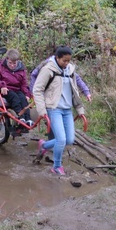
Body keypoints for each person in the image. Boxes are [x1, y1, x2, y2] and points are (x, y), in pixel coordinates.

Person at [32, 46, 85, 176]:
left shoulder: (70, 70)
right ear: (57, 58)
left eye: (68, 61)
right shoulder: (48, 70)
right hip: (53, 108)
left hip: (67, 109)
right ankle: (56, 166)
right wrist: (42, 110)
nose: (66, 63)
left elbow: (74, 92)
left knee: (69, 140)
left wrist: (80, 109)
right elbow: (37, 90)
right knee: (61, 139)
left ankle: (44, 145)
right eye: (64, 61)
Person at [0, 48, 32, 135]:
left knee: (23, 98)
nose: (12, 65)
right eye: (10, 63)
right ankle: (20, 117)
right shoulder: (0, 67)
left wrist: (27, 94)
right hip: (6, 89)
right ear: (7, 60)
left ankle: (27, 119)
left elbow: (24, 84)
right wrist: (2, 85)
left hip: (17, 89)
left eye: (14, 63)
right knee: (15, 98)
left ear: (17, 61)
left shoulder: (21, 69)